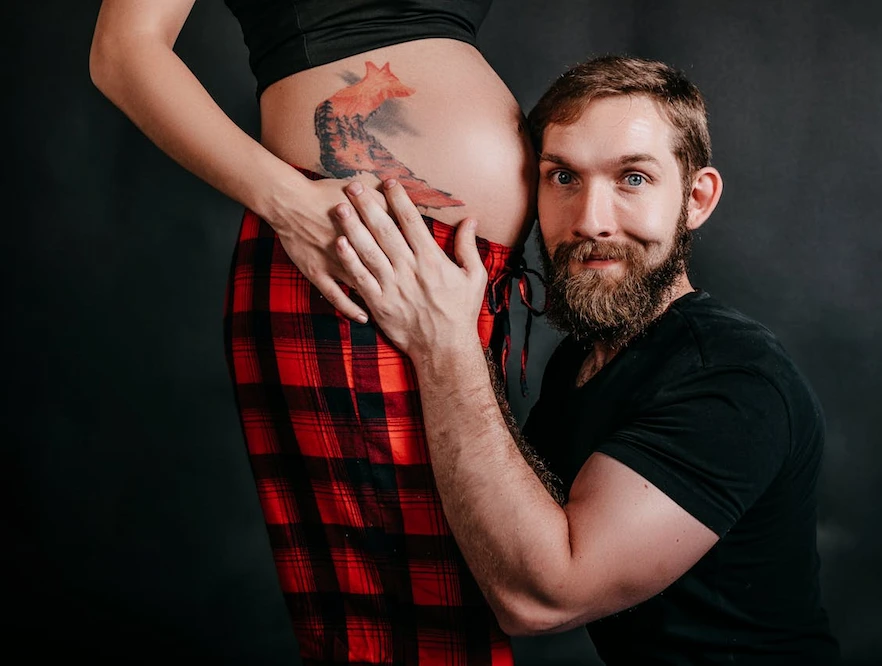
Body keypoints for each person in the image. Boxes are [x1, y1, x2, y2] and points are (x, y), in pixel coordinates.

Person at [331, 55, 842, 664]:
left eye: (633, 178)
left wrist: (446, 344)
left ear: (696, 198)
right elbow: (506, 525)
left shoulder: (735, 382)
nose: (590, 222)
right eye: (563, 177)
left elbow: (542, 599)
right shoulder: (583, 357)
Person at [89, 1, 542, 664]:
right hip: (355, 255)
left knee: (458, 592)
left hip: (465, 279)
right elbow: (123, 50)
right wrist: (288, 202)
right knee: (396, 614)